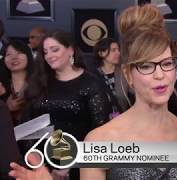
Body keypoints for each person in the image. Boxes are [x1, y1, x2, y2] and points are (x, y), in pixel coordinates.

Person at [81, 4, 177, 179]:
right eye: (146, 66)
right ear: (128, 74)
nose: (160, 75)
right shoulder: (99, 141)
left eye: (167, 64)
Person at [20, 30, 112, 179]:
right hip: (39, 166)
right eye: (45, 52)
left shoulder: (91, 84)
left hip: (79, 166)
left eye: (55, 49)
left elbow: (100, 132)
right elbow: (27, 127)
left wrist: (69, 166)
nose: (49, 55)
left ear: (70, 50)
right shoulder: (39, 82)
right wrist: (39, 165)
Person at [92, 38, 129, 114]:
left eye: (118, 50)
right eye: (113, 50)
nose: (118, 53)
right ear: (101, 53)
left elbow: (134, 93)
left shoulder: (123, 71)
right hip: (104, 119)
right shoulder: (93, 75)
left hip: (124, 116)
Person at [1, 40, 34, 125]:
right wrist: (6, 108)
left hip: (38, 135)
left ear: (28, 56)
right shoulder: (1, 84)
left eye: (19, 53)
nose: (14, 57)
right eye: (8, 54)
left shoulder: (39, 82)